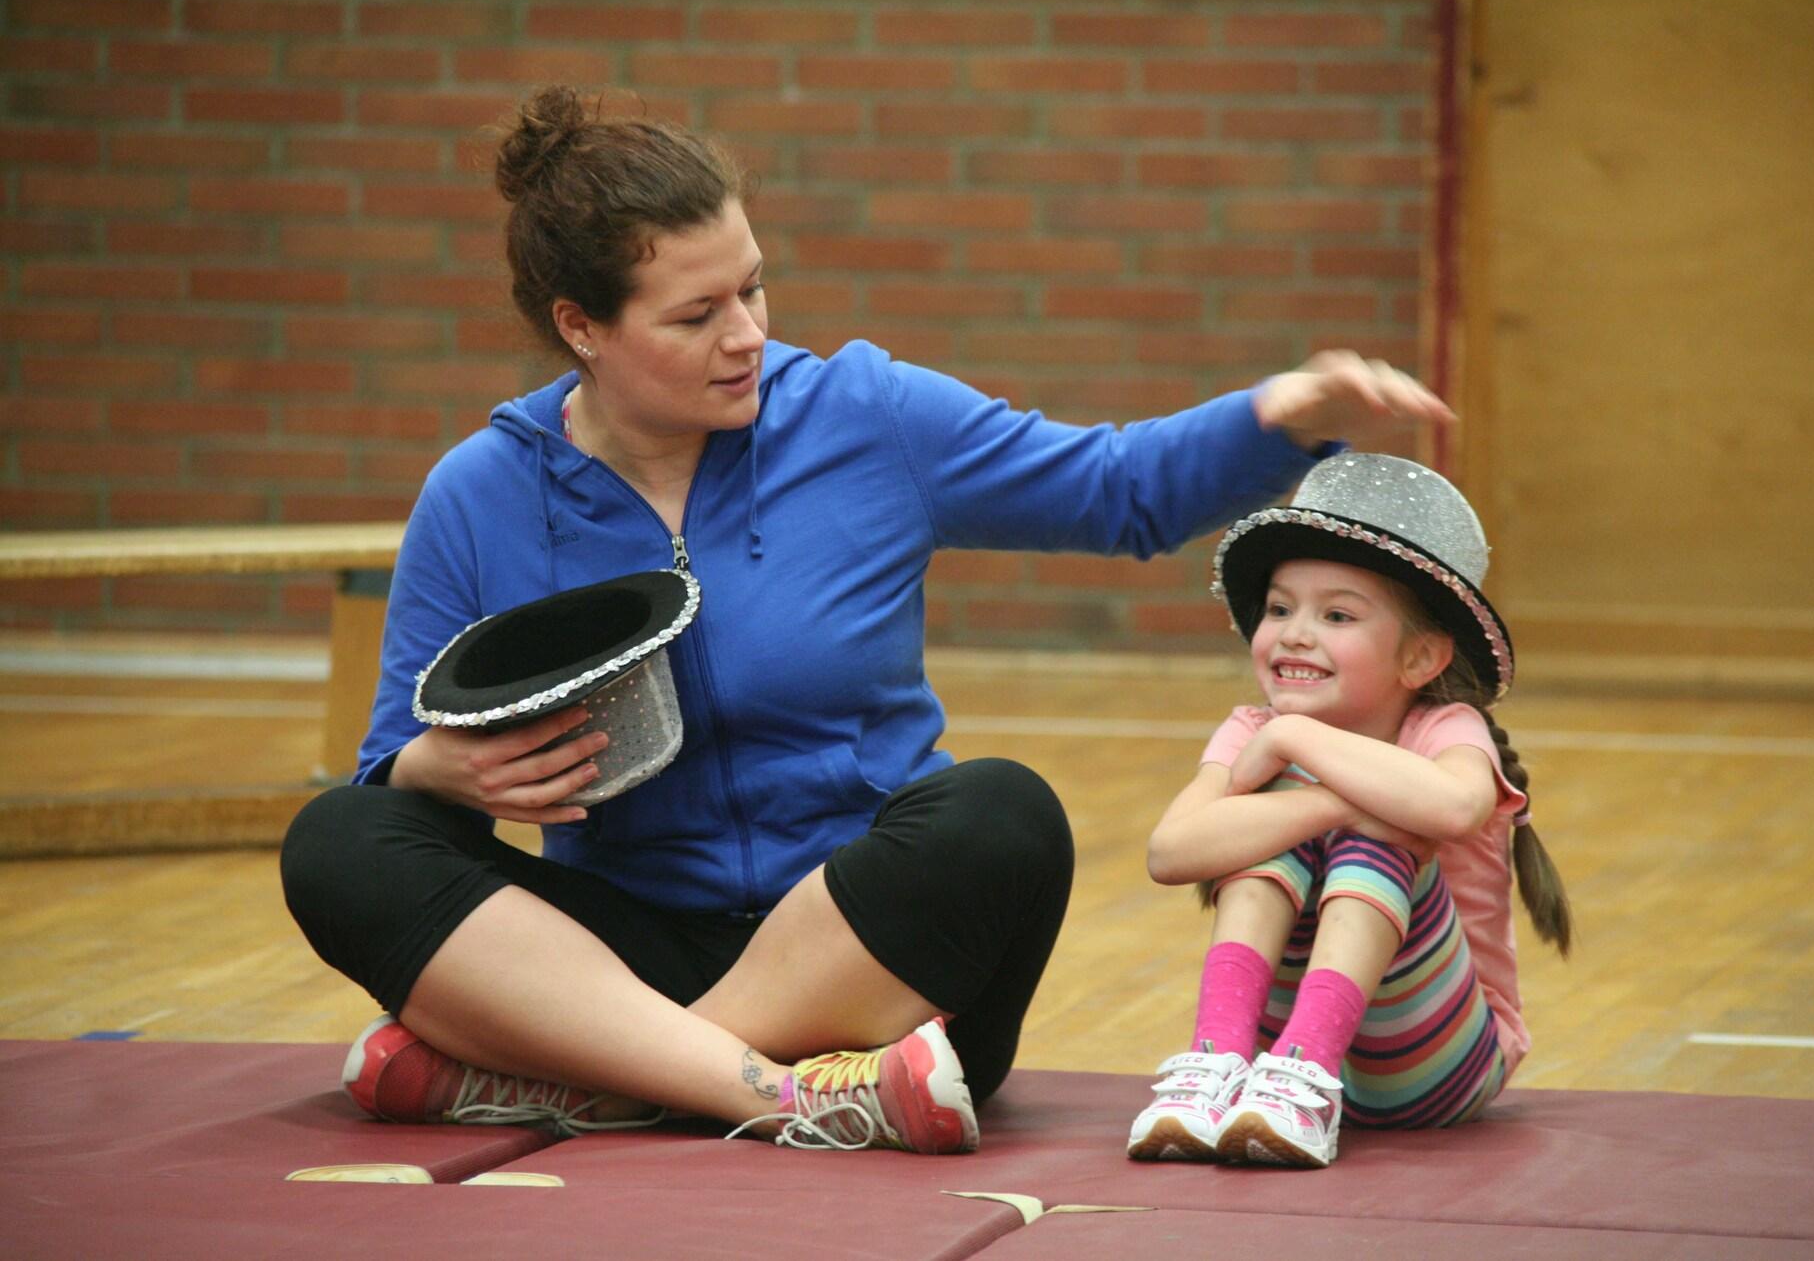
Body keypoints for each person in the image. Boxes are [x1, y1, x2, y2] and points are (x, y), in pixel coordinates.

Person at [279, 85, 1456, 1156]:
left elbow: (1120, 492)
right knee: (339, 840)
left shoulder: (864, 413)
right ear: (582, 325)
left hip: (875, 956)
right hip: (623, 952)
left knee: (1002, 814)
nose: (747, 333)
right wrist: (440, 767)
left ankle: (608, 1079)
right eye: (695, 315)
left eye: (753, 287)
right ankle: (768, 1090)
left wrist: (1280, 412)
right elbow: (395, 771)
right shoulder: (479, 493)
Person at [1126, 452, 1571, 1167]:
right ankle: (1215, 1060)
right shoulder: (1250, 728)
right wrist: (1323, 799)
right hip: (1263, 1068)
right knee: (1284, 816)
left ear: (1419, 658)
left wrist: (1295, 739)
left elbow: (1457, 807)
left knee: (1385, 828)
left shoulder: (1443, 727)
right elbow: (1170, 852)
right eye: (1279, 609)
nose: (1294, 633)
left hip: (1435, 1064)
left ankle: (1308, 1067)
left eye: (1336, 615)